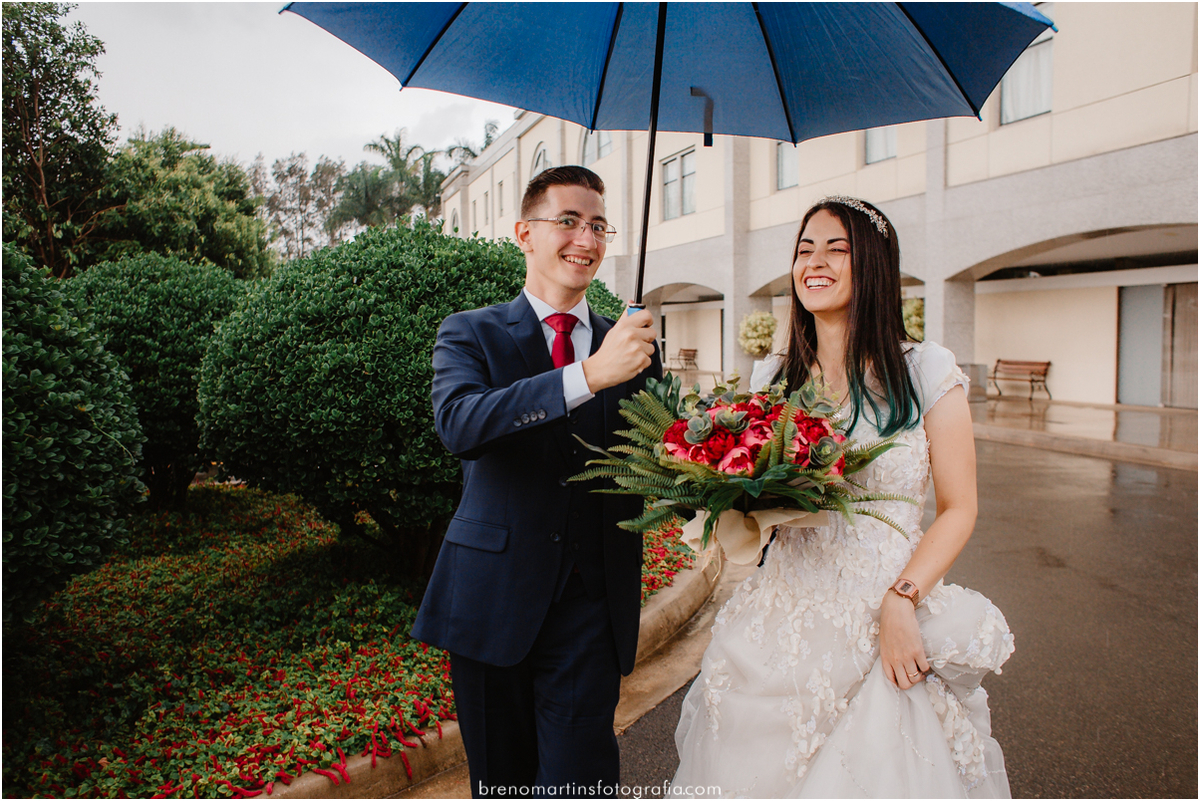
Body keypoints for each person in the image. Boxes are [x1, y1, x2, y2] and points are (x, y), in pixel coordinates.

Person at [672, 197, 1015, 797]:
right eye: (805, 250)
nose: (814, 262)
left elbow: (960, 508)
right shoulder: (773, 379)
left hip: (885, 616)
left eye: (836, 249)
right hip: (778, 623)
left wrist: (902, 600)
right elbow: (757, 508)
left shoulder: (926, 371)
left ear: (874, 264)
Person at [412, 165, 661, 798]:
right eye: (568, 221)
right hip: (491, 599)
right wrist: (589, 375)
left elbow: (658, 455)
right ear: (525, 233)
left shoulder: (630, 344)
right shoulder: (470, 331)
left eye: (598, 225)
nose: (586, 238)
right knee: (501, 781)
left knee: (582, 780)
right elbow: (460, 424)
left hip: (592, 606)